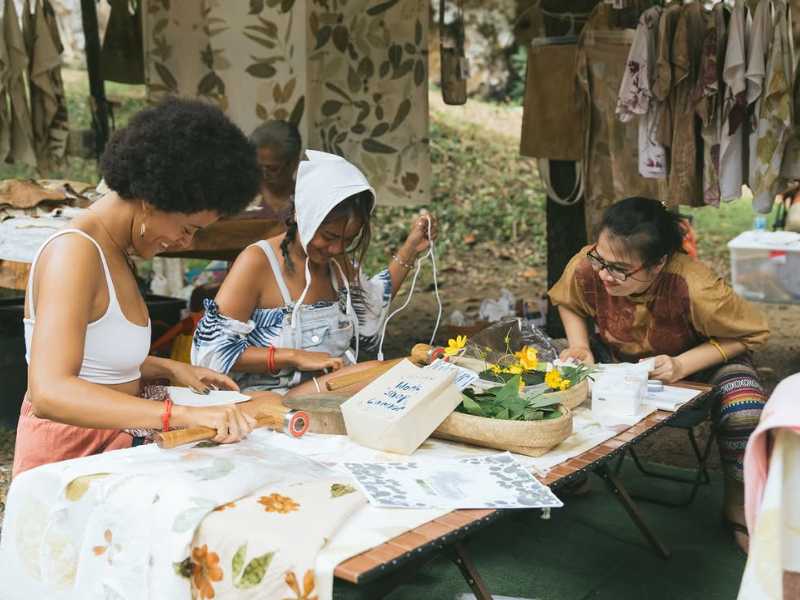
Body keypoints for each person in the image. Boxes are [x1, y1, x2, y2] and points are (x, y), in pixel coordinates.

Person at [14, 98, 263, 477]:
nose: (185, 243)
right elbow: (50, 391)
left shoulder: (117, 249)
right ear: (150, 200)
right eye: (187, 228)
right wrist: (179, 414)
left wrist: (168, 369)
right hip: (71, 456)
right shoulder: (75, 254)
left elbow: (95, 356)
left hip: (109, 438)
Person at [548, 196, 769, 551]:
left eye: (619, 269)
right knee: (561, 374)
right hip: (618, 356)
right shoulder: (590, 263)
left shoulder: (697, 286)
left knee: (745, 406)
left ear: (658, 264)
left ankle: (738, 506)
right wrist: (580, 347)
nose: (604, 274)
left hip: (699, 363)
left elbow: (748, 334)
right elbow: (567, 300)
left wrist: (683, 365)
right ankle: (571, 476)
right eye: (600, 260)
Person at [192, 150, 437, 393]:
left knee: (397, 374)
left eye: (347, 239)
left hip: (325, 395)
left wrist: (410, 249)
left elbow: (371, 308)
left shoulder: (337, 265)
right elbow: (211, 353)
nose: (337, 248)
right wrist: (291, 357)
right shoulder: (257, 262)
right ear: (301, 214)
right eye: (328, 236)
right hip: (266, 405)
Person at [249, 119, 302, 222]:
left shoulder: (307, 202)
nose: (264, 175)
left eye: (272, 168)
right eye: (258, 167)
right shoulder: (240, 201)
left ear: (293, 163)